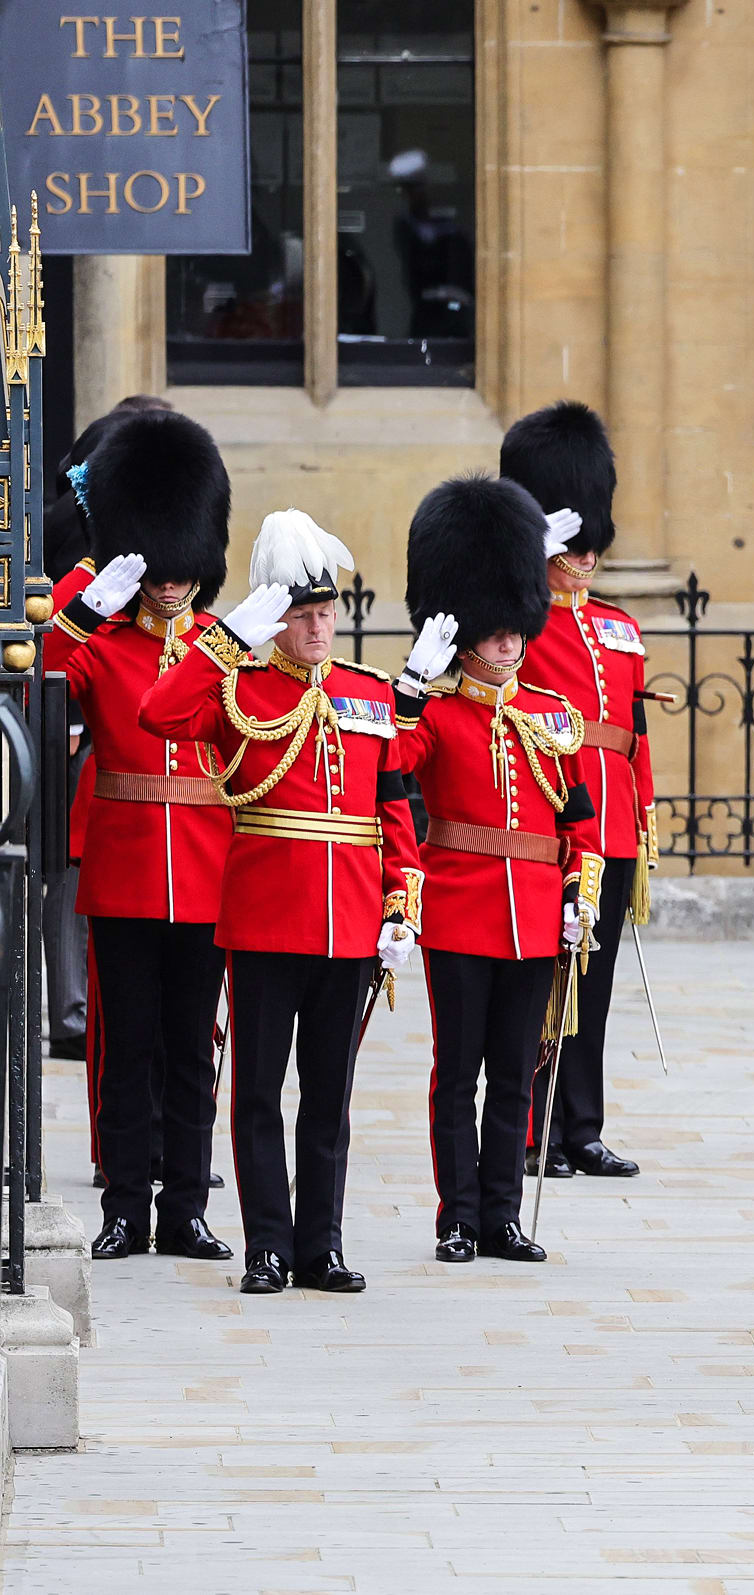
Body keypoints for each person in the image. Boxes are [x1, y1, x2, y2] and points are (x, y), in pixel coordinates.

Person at [139, 511, 421, 1296]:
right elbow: (157, 713)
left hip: (352, 925)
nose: (319, 628)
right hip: (267, 923)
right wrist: (224, 640)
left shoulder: (366, 696)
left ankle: (320, 1245)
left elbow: (393, 815)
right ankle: (268, 1243)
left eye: (327, 614)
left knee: (329, 1097)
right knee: (260, 1092)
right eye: (303, 616)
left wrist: (402, 906)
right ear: (277, 618)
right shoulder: (241, 689)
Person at [393, 474, 603, 1266]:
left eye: (517, 627)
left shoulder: (553, 716)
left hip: (534, 918)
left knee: (517, 1074)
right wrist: (413, 683)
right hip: (458, 912)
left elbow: (580, 822)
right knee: (457, 1077)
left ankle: (503, 1216)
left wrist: (580, 896)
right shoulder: (440, 710)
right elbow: (393, 763)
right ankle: (458, 1215)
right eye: (496, 628)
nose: (510, 640)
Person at [46, 409, 235, 1262]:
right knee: (124, 1053)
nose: (169, 584)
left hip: (206, 873)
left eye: (180, 569)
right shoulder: (103, 638)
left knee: (193, 1053)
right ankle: (125, 1206)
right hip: (123, 869)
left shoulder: (221, 646)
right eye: (160, 569)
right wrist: (84, 610)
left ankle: (187, 1206)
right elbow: (41, 677)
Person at [502, 403, 656, 1181]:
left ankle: (581, 1125)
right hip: (556, 825)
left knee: (592, 989)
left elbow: (632, 735)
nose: (587, 551)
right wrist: (524, 548)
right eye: (574, 537)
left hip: (615, 830)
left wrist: (644, 819)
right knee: (545, 985)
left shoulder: (621, 629)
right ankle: (533, 1128)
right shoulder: (520, 623)